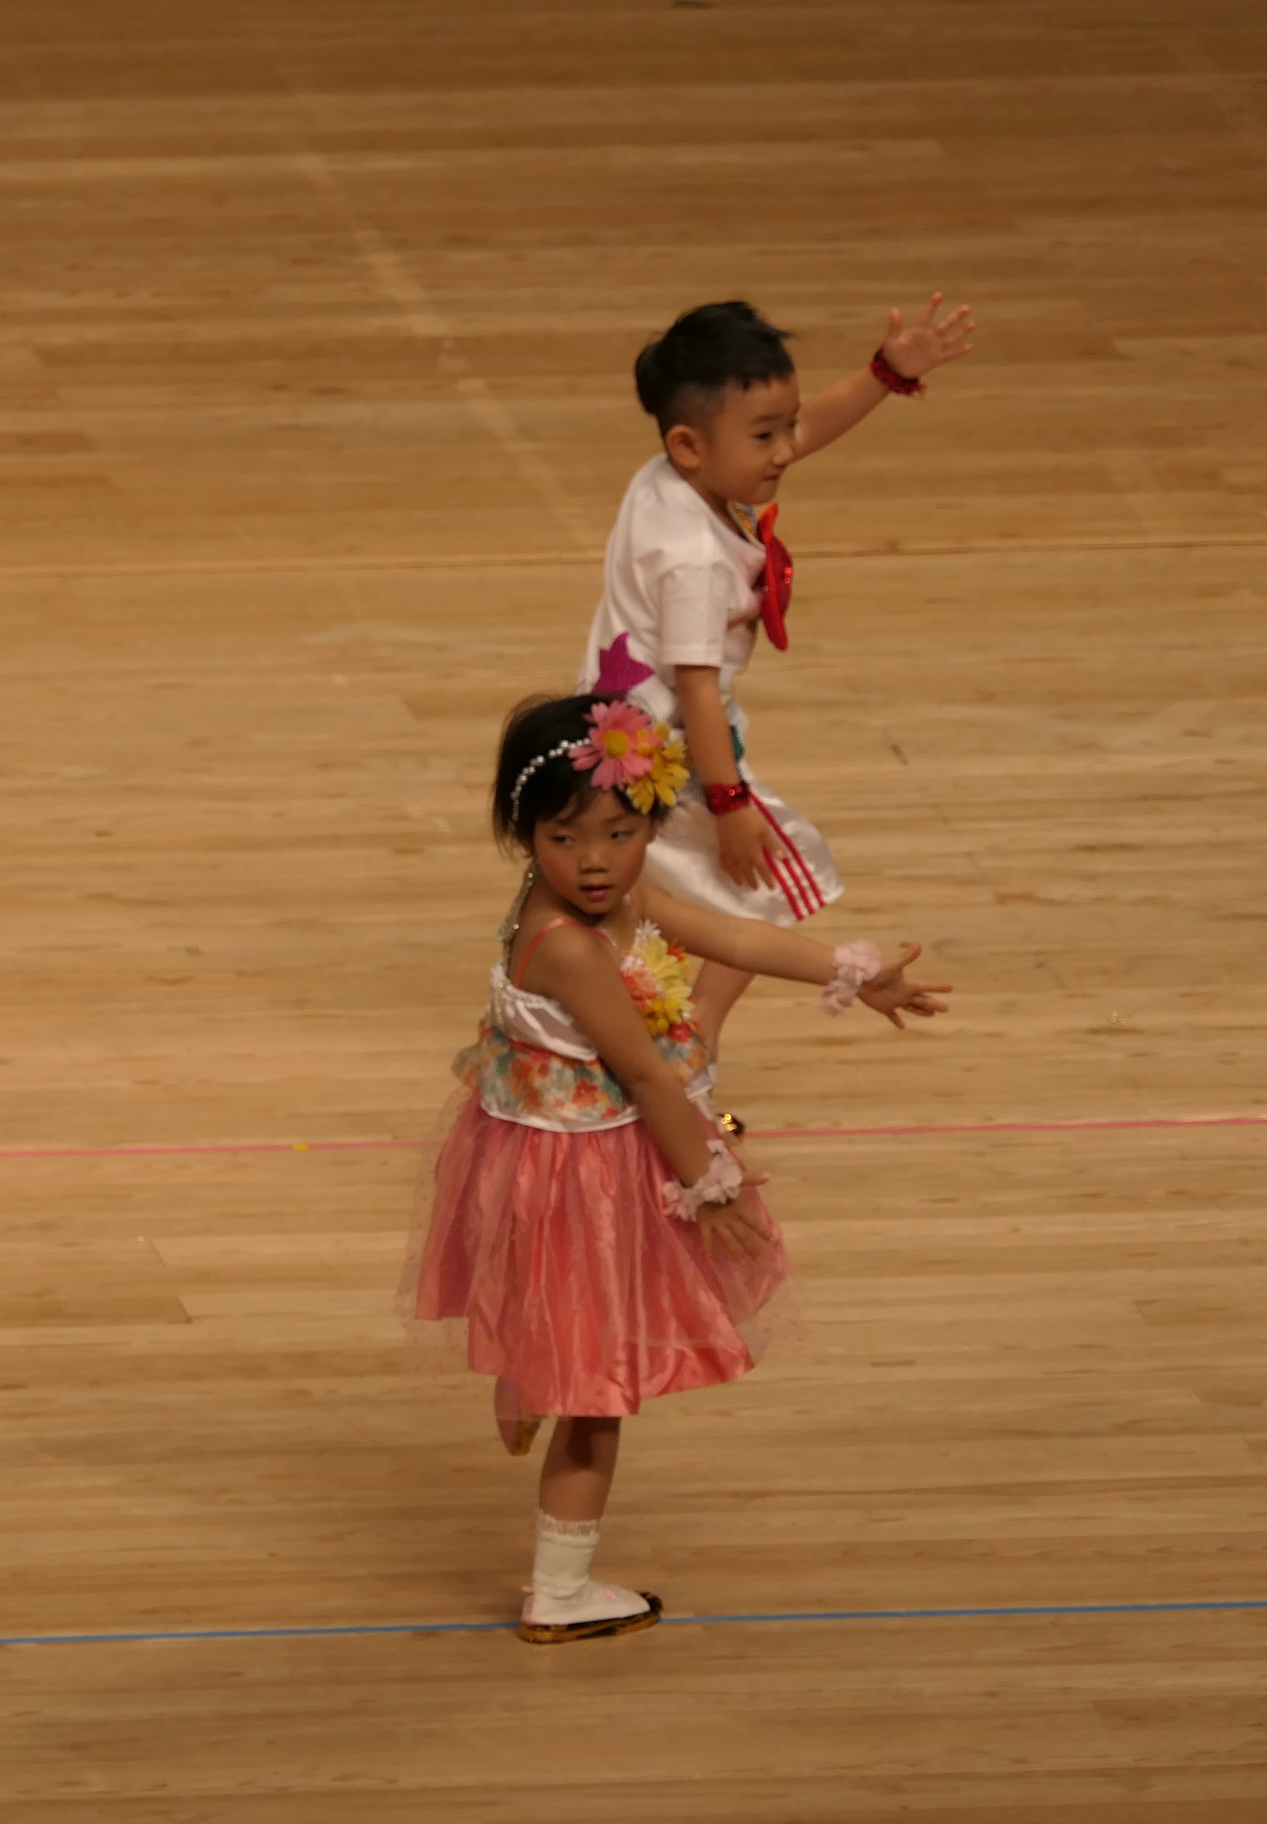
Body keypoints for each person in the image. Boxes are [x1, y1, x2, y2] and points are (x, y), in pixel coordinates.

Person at [401, 692, 948, 1644]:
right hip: (581, 1173)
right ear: (524, 837)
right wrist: (712, 1186)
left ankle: (534, 1375)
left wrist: (850, 972)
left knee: (576, 1341)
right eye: (566, 839)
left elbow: (730, 936)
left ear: (652, 826)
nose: (596, 860)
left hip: (567, 1150)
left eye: (620, 834)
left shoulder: (617, 898)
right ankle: (559, 1592)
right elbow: (648, 1076)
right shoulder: (567, 945)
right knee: (599, 1393)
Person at [578, 295, 973, 1057]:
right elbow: (697, 687)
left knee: (681, 894)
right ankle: (693, 1039)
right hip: (670, 754)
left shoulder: (665, 478)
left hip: (611, 730)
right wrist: (730, 804)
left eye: (785, 426)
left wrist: (884, 374)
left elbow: (800, 431)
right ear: (691, 444)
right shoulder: (695, 561)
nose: (787, 449)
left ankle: (662, 1027)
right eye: (766, 434)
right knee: (771, 876)